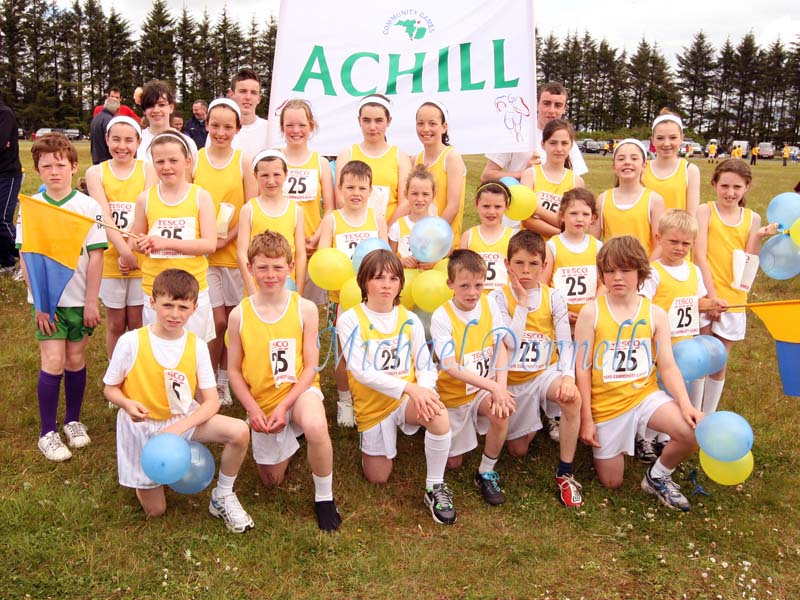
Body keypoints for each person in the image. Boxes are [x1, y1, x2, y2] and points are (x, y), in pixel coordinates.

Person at [103, 268, 254, 532]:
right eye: (167, 305)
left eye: (183, 307)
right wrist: (127, 404)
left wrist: (177, 429)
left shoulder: (195, 345)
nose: (174, 314)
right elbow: (110, 388)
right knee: (156, 510)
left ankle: (223, 495)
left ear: (195, 308)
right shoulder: (131, 342)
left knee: (240, 431)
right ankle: (151, 478)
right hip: (142, 427)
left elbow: (211, 402)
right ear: (152, 303)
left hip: (181, 420)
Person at [574, 236, 702, 512]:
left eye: (625, 270)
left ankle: (657, 477)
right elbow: (582, 368)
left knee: (692, 434)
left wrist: (685, 403)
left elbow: (667, 365)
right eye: (610, 271)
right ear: (602, 275)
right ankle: (621, 440)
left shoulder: (655, 314)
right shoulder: (591, 313)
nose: (617, 277)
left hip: (645, 396)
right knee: (612, 482)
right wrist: (587, 419)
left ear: (640, 273)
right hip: (606, 406)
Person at [227, 232, 341, 531]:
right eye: (262, 267)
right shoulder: (239, 315)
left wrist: (287, 405)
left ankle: (324, 497)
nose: (270, 275)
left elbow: (311, 366)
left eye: (278, 267)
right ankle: (291, 433)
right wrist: (253, 409)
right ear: (249, 268)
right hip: (263, 399)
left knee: (317, 425)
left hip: (299, 391)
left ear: (290, 267)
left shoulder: (304, 308)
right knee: (271, 481)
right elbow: (235, 372)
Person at [337, 250, 457, 525]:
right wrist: (409, 388)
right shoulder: (350, 320)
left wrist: (423, 392)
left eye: (393, 278)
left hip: (406, 399)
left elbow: (426, 367)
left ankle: (435, 487)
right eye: (378, 278)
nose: (386, 284)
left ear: (401, 284)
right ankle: (374, 436)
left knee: (439, 415)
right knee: (378, 477)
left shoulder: (410, 319)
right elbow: (361, 371)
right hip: (374, 404)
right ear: (364, 281)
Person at [16, 133, 107, 461]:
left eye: (60, 165)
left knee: (75, 360)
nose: (54, 171)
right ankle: (47, 432)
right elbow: (28, 256)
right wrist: (40, 301)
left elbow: (96, 257)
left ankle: (72, 420)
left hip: (79, 300)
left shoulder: (88, 207)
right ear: (38, 170)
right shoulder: (32, 207)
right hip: (48, 303)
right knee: (52, 361)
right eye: (46, 166)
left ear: (73, 166)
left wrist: (92, 301)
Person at [493, 230, 584, 507]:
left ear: (544, 265)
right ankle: (538, 416)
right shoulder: (497, 298)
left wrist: (567, 377)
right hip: (511, 380)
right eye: (519, 263)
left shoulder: (553, 297)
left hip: (543, 373)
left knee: (572, 398)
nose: (525, 271)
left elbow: (566, 343)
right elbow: (509, 341)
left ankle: (565, 473)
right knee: (518, 450)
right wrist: (521, 304)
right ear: (506, 264)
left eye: (533, 264)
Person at [638, 209, 727, 462]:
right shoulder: (653, 272)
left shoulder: (693, 271)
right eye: (673, 241)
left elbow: (694, 302)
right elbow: (644, 308)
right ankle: (645, 437)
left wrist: (711, 304)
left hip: (687, 345)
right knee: (658, 392)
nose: (679, 248)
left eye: (686, 243)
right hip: (660, 346)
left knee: (680, 390)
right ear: (659, 237)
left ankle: (667, 434)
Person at [430, 249, 514, 505]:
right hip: (454, 395)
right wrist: (493, 385)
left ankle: (486, 470)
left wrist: (499, 387)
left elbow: (500, 344)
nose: (472, 292)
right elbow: (451, 366)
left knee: (502, 411)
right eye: (464, 285)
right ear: (450, 284)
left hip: (480, 390)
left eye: (478, 285)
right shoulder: (442, 316)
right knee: (453, 463)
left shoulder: (488, 303)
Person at [694, 160, 778, 413]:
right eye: (725, 186)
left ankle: (708, 414)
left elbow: (748, 263)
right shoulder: (704, 211)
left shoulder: (752, 218)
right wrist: (711, 297)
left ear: (747, 187)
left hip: (733, 299)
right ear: (714, 185)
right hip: (706, 293)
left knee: (720, 360)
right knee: (701, 355)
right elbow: (699, 256)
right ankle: (693, 412)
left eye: (737, 187)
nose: (730, 192)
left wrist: (758, 237)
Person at [193, 98, 257, 407]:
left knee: (234, 321)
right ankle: (211, 382)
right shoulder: (196, 159)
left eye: (227, 127)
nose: (220, 132)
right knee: (215, 322)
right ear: (206, 125)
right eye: (215, 125)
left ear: (237, 129)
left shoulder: (243, 161)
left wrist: (228, 237)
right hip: (204, 257)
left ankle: (227, 377)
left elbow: (250, 207)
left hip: (234, 255)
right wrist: (206, 240)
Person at [318, 160, 387, 427]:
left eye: (362, 187)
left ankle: (371, 392)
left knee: (372, 346)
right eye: (350, 187)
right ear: (340, 188)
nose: (356, 193)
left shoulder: (376, 219)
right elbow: (324, 257)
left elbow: (385, 255)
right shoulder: (332, 220)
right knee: (343, 353)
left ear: (371, 191)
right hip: (341, 298)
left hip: (372, 299)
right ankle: (345, 399)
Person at [131, 132, 216, 342]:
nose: (166, 167)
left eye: (173, 160)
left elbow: (209, 244)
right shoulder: (145, 199)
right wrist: (141, 243)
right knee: (158, 348)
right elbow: (133, 239)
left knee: (193, 349)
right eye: (160, 161)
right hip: (156, 288)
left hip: (192, 288)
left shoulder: (200, 196)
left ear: (187, 162)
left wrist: (166, 243)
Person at [85, 116, 157, 357]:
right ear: (106, 140)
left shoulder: (148, 169)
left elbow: (145, 213)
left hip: (140, 257)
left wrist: (131, 251)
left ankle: (136, 374)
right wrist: (123, 252)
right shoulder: (96, 172)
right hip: (111, 257)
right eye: (116, 139)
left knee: (137, 322)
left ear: (138, 142)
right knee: (115, 323)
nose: (122, 146)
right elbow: (103, 215)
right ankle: (115, 374)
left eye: (129, 140)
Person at [279, 98, 335, 305]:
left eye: (302, 125)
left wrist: (316, 239)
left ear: (311, 127)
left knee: (309, 309)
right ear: (282, 127)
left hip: (310, 247)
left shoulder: (320, 163)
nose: (296, 130)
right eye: (290, 125)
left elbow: (329, 208)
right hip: (280, 249)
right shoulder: (274, 159)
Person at [480, 82, 589, 184]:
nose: (551, 110)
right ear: (537, 104)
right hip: (523, 201)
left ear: (564, 109)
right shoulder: (515, 134)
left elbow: (575, 182)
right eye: (546, 103)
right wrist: (524, 174)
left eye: (558, 105)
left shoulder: (567, 141)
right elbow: (486, 176)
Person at [237, 150, 305, 297]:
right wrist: (252, 291)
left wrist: (298, 290)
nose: (271, 181)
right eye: (265, 175)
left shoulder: (296, 210)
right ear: (255, 176)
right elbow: (242, 253)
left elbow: (300, 254)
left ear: (286, 174)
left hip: (286, 286)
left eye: (277, 175)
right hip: (257, 285)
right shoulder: (249, 209)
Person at [335, 94, 412, 224]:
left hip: (389, 234)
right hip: (353, 231)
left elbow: (405, 202)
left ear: (389, 121)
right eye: (366, 120)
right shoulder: (347, 154)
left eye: (378, 120)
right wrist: (363, 227)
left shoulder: (401, 157)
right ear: (359, 120)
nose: (372, 127)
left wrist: (386, 230)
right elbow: (340, 198)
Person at [541, 188, 604, 327]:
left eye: (585, 214)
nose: (579, 219)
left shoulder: (598, 247)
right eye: (573, 213)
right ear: (562, 216)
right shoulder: (552, 246)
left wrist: (591, 309)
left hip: (590, 320)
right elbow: (543, 285)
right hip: (559, 320)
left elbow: (603, 284)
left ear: (593, 218)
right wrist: (560, 312)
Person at [592, 139, 665, 258]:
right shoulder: (603, 199)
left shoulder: (654, 200)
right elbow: (593, 242)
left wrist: (647, 272)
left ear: (644, 165)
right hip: (610, 271)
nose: (627, 162)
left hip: (643, 271)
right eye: (621, 159)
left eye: (634, 158)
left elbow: (660, 244)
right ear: (614, 166)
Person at [412, 101, 466, 245]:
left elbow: (453, 206)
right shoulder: (416, 159)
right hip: (419, 242)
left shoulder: (451, 157)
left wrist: (433, 237)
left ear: (444, 127)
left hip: (443, 243)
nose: (426, 129)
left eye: (432, 123)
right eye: (420, 123)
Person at [520, 118, 584, 239]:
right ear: (543, 144)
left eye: (564, 143)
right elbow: (526, 220)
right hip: (532, 247)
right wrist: (562, 234)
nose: (559, 149)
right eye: (553, 143)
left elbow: (573, 222)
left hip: (561, 251)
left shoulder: (576, 181)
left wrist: (537, 210)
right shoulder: (530, 175)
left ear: (571, 145)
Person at [460, 181, 514, 295]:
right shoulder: (468, 236)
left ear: (507, 206)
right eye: (486, 206)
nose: (491, 212)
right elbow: (460, 273)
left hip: (505, 302)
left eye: (498, 207)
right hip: (475, 301)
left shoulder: (513, 237)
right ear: (476, 204)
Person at [642, 111, 700, 214]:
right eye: (660, 138)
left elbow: (692, 215)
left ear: (681, 138)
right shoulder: (642, 168)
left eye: (673, 137)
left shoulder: (690, 170)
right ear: (653, 140)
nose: (666, 143)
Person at [137, 80, 198, 163]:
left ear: (171, 107)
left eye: (161, 105)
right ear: (144, 111)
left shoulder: (186, 142)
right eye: (150, 105)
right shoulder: (136, 141)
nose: (156, 110)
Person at [388, 166, 436, 269]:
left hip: (428, 283)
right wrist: (401, 262)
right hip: (404, 282)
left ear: (433, 195)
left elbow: (445, 253)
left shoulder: (438, 226)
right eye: (414, 193)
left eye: (425, 194)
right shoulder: (397, 226)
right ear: (406, 194)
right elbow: (389, 259)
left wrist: (434, 262)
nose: (420, 199)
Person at [215, 68, 268, 157]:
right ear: (231, 95)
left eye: (253, 93)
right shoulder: (219, 133)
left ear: (259, 98)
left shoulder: (270, 130)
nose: (248, 97)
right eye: (243, 91)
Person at [0, 96, 22, 274]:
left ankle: (29, 255)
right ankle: (6, 263)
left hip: (8, 175)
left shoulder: (5, 114)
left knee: (3, 220)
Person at [90, 96, 120, 165]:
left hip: (96, 157)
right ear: (117, 109)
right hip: (106, 159)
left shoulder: (96, 118)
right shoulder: (110, 121)